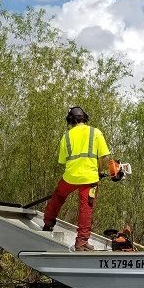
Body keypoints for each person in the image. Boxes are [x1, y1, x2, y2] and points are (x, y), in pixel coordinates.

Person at [42, 106, 111, 251]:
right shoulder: (96, 132)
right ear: (84, 118)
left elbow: (63, 161)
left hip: (70, 177)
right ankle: (81, 242)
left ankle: (48, 223)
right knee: (86, 208)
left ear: (70, 121)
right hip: (90, 178)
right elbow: (104, 158)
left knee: (58, 197)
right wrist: (98, 171)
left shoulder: (66, 136)